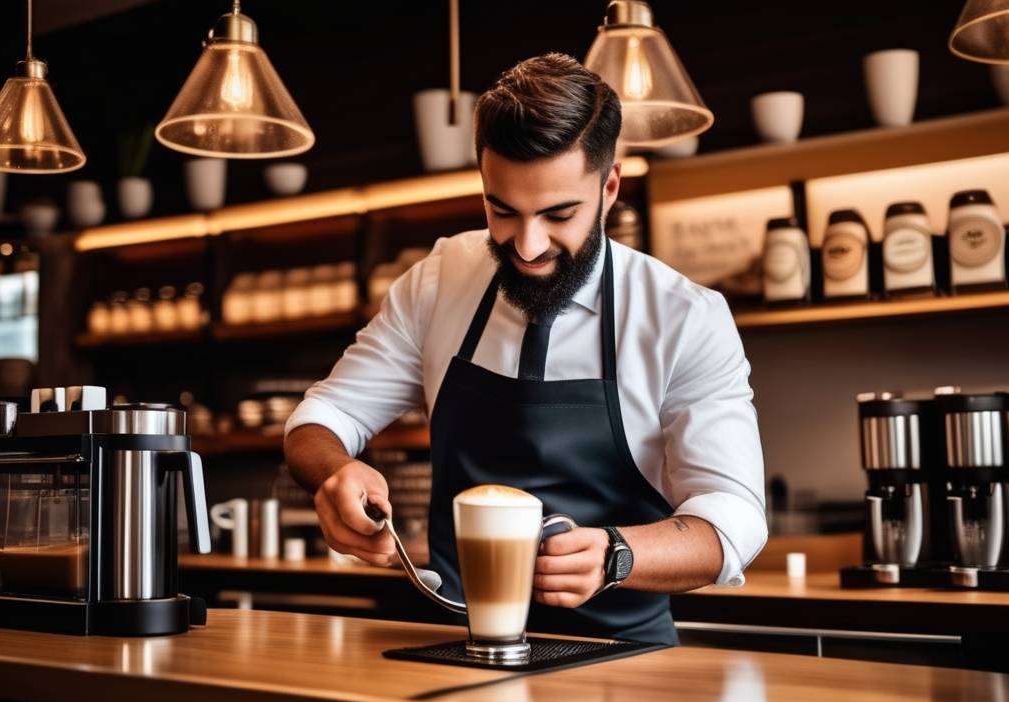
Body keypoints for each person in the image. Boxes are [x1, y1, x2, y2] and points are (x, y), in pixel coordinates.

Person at [284, 53, 766, 645]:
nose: (529, 246)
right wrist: (335, 473)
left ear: (609, 186)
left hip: (621, 658)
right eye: (501, 211)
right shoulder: (439, 281)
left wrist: (619, 552)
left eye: (559, 214)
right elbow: (321, 418)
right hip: (458, 642)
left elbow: (734, 515)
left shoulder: (683, 317)